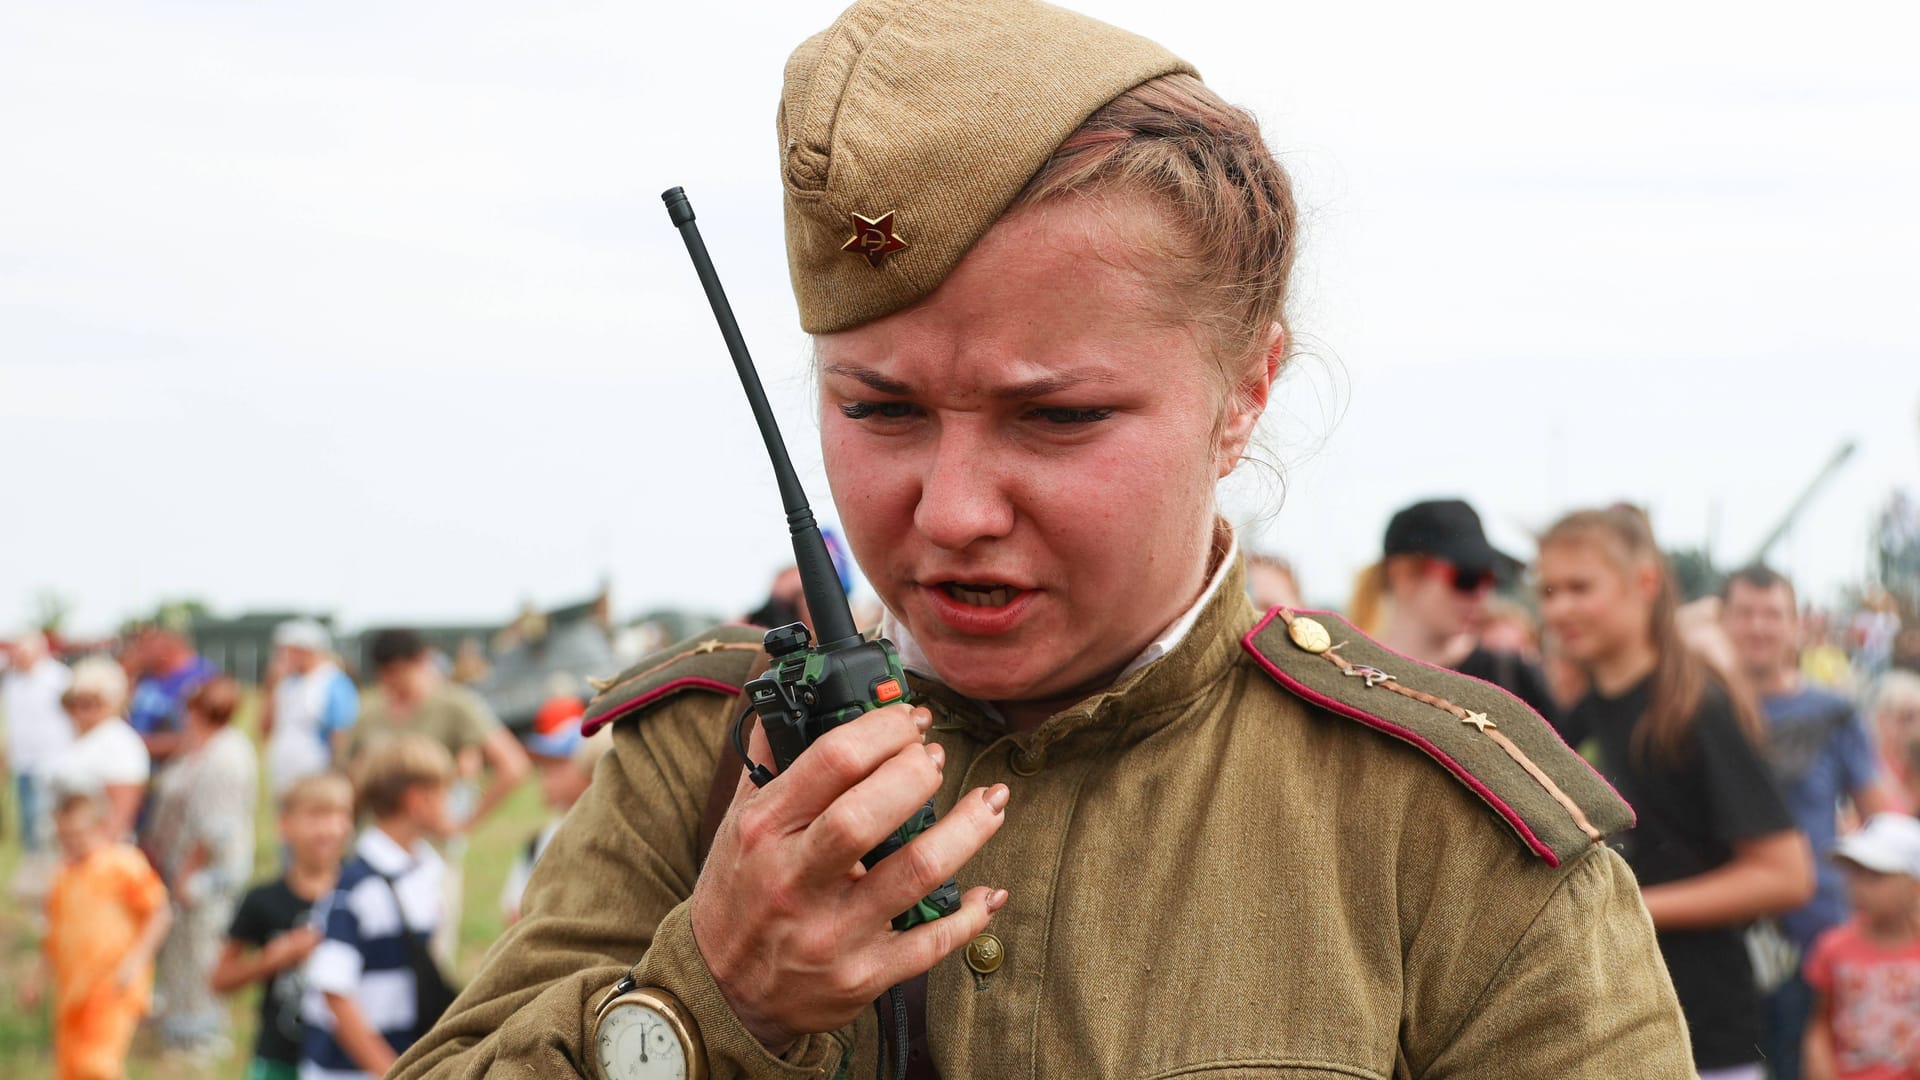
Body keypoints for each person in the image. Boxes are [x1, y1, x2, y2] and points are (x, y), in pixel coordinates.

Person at [395, 3, 1691, 1077]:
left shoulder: (1438, 831)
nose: (953, 510)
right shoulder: (702, 766)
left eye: (1057, 416)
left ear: (1245, 393)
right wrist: (706, 1002)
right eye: (880, 409)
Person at [1540, 506, 1815, 1079]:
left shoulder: (1695, 708)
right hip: (1611, 1031)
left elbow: (1786, 874)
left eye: (1579, 587)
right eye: (1547, 591)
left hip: (1706, 1038)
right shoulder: (1582, 713)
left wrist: (1625, 907)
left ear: (1645, 583)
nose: (1558, 608)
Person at [1721, 565, 1889, 1077]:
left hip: (1815, 928)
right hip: (1719, 929)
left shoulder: (1834, 711)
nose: (1758, 627)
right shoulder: (1698, 710)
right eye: (1745, 614)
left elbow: (1882, 819)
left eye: (1772, 614)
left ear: (1796, 626)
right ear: (1723, 621)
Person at [341, 628, 528, 966]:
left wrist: (464, 823)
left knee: (426, 961)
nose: (391, 682)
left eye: (398, 671)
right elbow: (348, 780)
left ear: (420, 662)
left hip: (430, 857)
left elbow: (512, 765)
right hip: (371, 854)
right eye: (384, 673)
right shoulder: (370, 714)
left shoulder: (454, 706)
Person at [304, 735, 458, 1080]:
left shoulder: (423, 869)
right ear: (417, 800)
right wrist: (390, 1070)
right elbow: (334, 991)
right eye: (446, 793)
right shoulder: (359, 887)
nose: (453, 804)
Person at [1349, 499, 1562, 721]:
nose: (1482, 593)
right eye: (1467, 578)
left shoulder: (1510, 674)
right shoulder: (1354, 674)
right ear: (1405, 574)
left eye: (1489, 577)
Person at [213, 771, 356, 1080]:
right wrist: (274, 957)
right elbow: (220, 979)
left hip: (346, 1062)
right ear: (285, 825)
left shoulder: (361, 896)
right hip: (279, 1060)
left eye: (337, 815)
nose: (327, 829)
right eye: (316, 816)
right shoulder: (263, 900)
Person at [21, 789, 171, 1080]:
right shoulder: (62, 878)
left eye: (78, 833)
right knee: (71, 1069)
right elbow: (54, 938)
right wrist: (37, 981)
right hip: (71, 993)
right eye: (64, 836)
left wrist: (135, 960)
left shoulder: (122, 864)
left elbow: (160, 912)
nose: (72, 842)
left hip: (111, 985)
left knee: (98, 1066)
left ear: (100, 826)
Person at [144, 675, 259, 1057]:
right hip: (182, 865)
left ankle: (204, 1036)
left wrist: (190, 872)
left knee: (202, 948)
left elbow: (216, 828)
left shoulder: (226, 756)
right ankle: (181, 1025)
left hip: (206, 873)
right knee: (183, 949)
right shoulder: (204, 746)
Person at [1802, 813, 1920, 1080]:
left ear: (1915, 886)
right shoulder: (1832, 947)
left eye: (1875, 877)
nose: (1858, 887)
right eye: (1855, 874)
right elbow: (1819, 1021)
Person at [497, 697, 611, 925]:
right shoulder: (539, 840)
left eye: (555, 764)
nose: (544, 775)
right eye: (542, 764)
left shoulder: (609, 837)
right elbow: (514, 916)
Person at [44, 655, 149, 841]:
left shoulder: (120, 742)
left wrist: (95, 857)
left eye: (90, 703)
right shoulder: (85, 738)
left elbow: (120, 813)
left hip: (99, 852)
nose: (81, 711)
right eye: (74, 703)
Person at [262, 619, 359, 798]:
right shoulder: (286, 683)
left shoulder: (334, 682)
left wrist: (334, 774)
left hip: (316, 776)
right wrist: (272, 687)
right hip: (283, 777)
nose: (282, 657)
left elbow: (340, 735)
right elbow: (265, 728)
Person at [2, 630, 73, 856]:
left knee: (49, 819)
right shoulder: (12, 683)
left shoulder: (60, 679)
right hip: (23, 762)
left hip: (54, 760)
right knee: (29, 819)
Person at [124, 627, 219, 766]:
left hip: (178, 771)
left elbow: (198, 737)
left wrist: (130, 745)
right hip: (137, 767)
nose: (139, 649)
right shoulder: (144, 676)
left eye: (147, 641)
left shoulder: (202, 677)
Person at [1866, 671, 1920, 812]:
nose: (1916, 726)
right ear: (1881, 719)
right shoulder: (1866, 768)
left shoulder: (1913, 768)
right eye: (1907, 717)